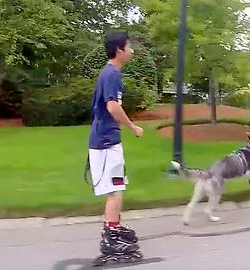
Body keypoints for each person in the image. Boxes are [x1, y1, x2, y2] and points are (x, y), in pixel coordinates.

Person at [87, 30, 144, 265]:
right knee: (115, 190)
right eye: (129, 46)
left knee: (117, 186)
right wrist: (132, 126)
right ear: (119, 49)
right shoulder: (111, 74)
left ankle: (114, 228)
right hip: (106, 142)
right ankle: (111, 237)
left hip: (108, 140)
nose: (132, 50)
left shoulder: (111, 73)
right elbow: (112, 107)